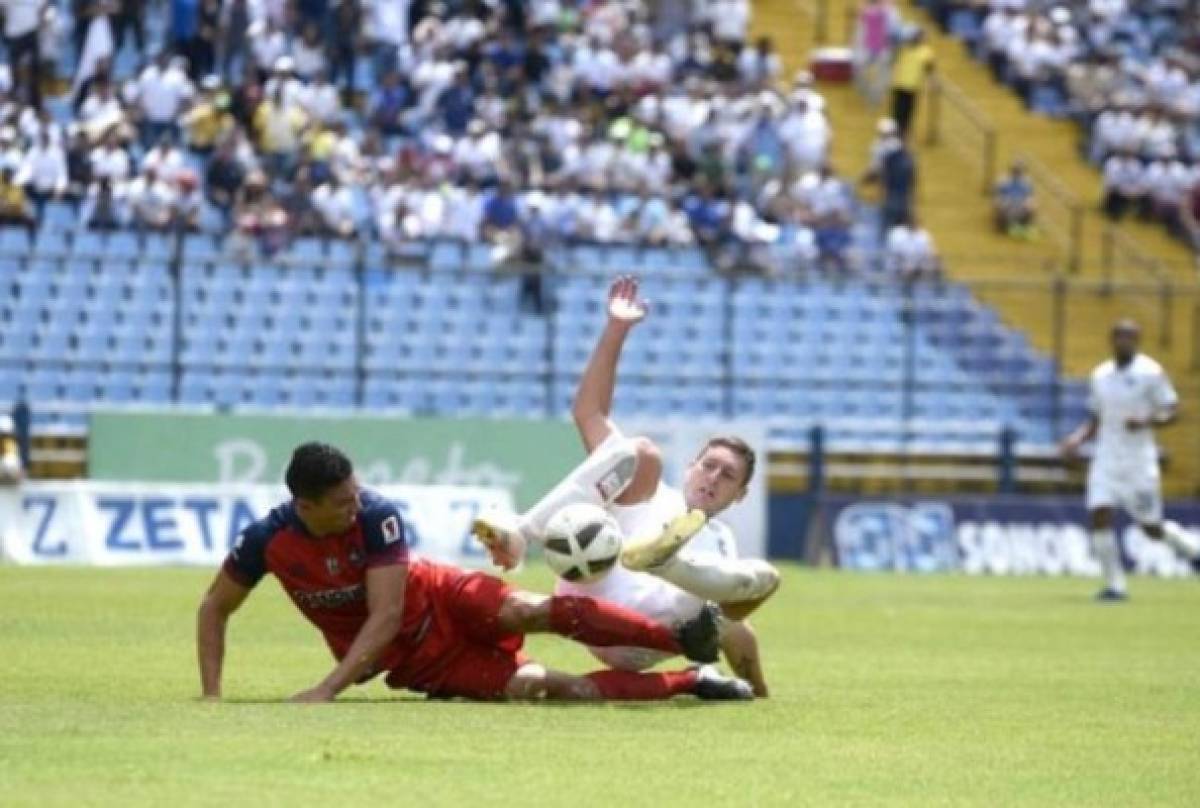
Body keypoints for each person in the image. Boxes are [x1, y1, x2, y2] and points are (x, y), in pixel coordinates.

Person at [197, 442, 751, 702]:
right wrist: (213, 695)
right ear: (305, 504)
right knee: (559, 691)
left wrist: (326, 690)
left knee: (532, 609)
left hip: (439, 596)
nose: (355, 504)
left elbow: (387, 612)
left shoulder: (375, 514)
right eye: (340, 503)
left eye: (355, 493)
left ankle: (680, 640)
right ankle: (691, 680)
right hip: (417, 661)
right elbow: (214, 608)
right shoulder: (267, 541)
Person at [474, 277, 781, 696]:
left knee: (762, 579)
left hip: (646, 637)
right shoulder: (644, 489)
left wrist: (756, 689)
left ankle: (667, 568)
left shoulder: (721, 540)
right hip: (591, 593)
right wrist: (616, 330)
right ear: (690, 466)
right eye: (708, 465)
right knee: (640, 452)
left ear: (740, 496)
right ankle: (522, 533)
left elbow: (737, 630)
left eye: (727, 476)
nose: (713, 477)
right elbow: (589, 412)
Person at [1059, 320, 1200, 601]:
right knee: (1099, 514)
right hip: (1106, 460)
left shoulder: (1151, 373)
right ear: (1111, 340)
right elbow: (1096, 418)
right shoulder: (1100, 375)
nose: (1123, 342)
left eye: (1129, 337)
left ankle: (1193, 551)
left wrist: (1146, 421)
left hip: (1139, 463)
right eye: (1119, 337)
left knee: (1151, 528)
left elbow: (1172, 411)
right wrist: (1077, 439)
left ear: (1137, 340)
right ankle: (1115, 585)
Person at [889, 27, 935, 139]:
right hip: (900, 83)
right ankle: (894, 131)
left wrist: (932, 80)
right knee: (897, 110)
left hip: (913, 86)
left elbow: (929, 68)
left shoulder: (926, 52)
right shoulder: (903, 48)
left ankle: (903, 132)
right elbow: (893, 55)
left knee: (908, 111)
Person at [993, 160, 1036, 238]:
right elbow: (998, 194)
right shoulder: (1003, 180)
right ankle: (1003, 227)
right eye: (1015, 170)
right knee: (1001, 205)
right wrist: (1000, 202)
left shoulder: (1026, 182)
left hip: (1020, 204)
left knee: (1030, 205)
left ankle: (1025, 226)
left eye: (1019, 170)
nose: (1017, 172)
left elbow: (1029, 195)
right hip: (1007, 203)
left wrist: (1029, 203)